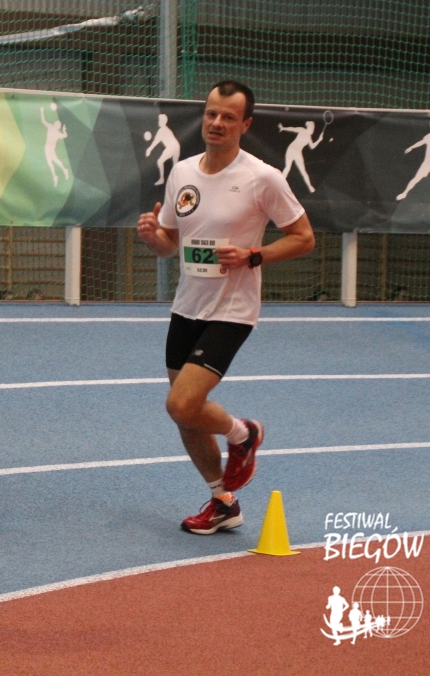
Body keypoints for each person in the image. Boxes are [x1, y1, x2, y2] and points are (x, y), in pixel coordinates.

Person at [137, 80, 315, 535]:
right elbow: (169, 244)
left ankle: (244, 433)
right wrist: (153, 237)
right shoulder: (182, 172)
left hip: (232, 310)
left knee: (182, 403)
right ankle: (223, 501)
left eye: (228, 117)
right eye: (211, 113)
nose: (217, 123)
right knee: (186, 416)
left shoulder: (263, 178)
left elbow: (303, 238)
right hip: (187, 306)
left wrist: (254, 255)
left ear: (245, 125)